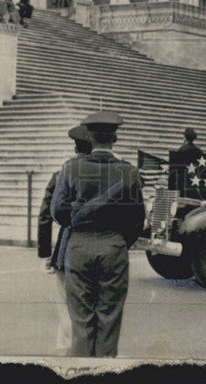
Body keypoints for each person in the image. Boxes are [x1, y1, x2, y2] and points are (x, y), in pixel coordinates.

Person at [50, 110, 145, 358]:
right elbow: (137, 219)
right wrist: (120, 240)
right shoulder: (129, 172)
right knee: (109, 319)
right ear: (114, 139)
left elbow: (58, 212)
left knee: (81, 320)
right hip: (113, 246)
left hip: (79, 246)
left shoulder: (71, 168)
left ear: (89, 138)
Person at [38, 124, 92, 356]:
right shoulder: (112, 173)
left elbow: (45, 214)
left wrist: (44, 253)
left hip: (68, 246)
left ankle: (65, 350)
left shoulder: (62, 173)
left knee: (65, 305)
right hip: (101, 246)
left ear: (75, 146)